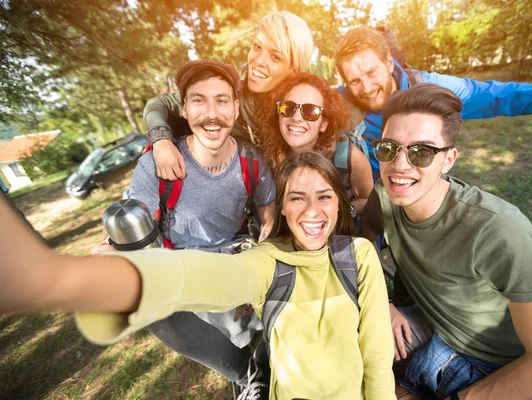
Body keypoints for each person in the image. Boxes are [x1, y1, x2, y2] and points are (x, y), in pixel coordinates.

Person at [1, 152, 396, 400]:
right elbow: (201, 276)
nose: (312, 210)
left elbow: (377, 359)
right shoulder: (267, 262)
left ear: (339, 203)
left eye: (324, 196)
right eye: (297, 197)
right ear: (284, 209)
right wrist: (77, 279)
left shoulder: (358, 256)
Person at [361, 84, 532, 399]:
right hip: (437, 336)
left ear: (448, 159)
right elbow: (364, 237)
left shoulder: (499, 230)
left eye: (421, 151)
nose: (399, 165)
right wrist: (382, 300)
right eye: (388, 148)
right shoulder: (383, 198)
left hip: (514, 372)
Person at [93, 59, 276, 399]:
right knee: (146, 304)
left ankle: (269, 359)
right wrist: (111, 249)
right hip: (182, 266)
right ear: (184, 107)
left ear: (236, 107)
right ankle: (246, 375)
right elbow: (138, 215)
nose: (211, 113)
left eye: (222, 100)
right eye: (199, 100)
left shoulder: (251, 160)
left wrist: (257, 272)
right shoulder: (156, 163)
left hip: (235, 259)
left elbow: (269, 221)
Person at [335, 26, 532, 177]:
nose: (367, 88)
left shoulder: (430, 89)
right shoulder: (336, 102)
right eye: (354, 80)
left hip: (416, 202)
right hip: (364, 207)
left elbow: (501, 95)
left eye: (372, 73)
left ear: (388, 62)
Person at [144, 11, 315, 181]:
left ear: (294, 70)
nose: (259, 61)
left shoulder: (301, 108)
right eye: (257, 47)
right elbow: (159, 104)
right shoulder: (226, 87)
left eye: (275, 57)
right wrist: (161, 142)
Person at [257, 72, 373, 216]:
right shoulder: (268, 156)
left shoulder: (349, 158)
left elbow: (370, 201)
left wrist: (344, 212)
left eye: (311, 111)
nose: (296, 118)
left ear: (324, 123)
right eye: (288, 107)